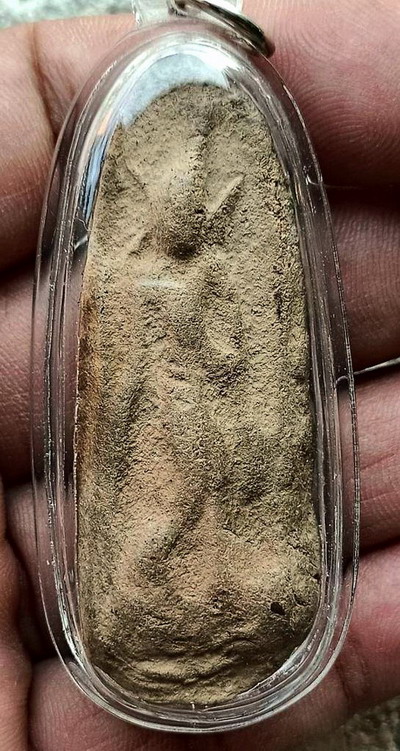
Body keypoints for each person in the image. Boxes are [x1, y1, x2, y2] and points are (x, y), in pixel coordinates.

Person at [0, 1, 399, 748]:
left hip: (230, 439)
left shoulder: (239, 271)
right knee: (160, 524)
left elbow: (260, 387)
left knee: (230, 500)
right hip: (157, 441)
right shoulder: (136, 278)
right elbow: (118, 401)